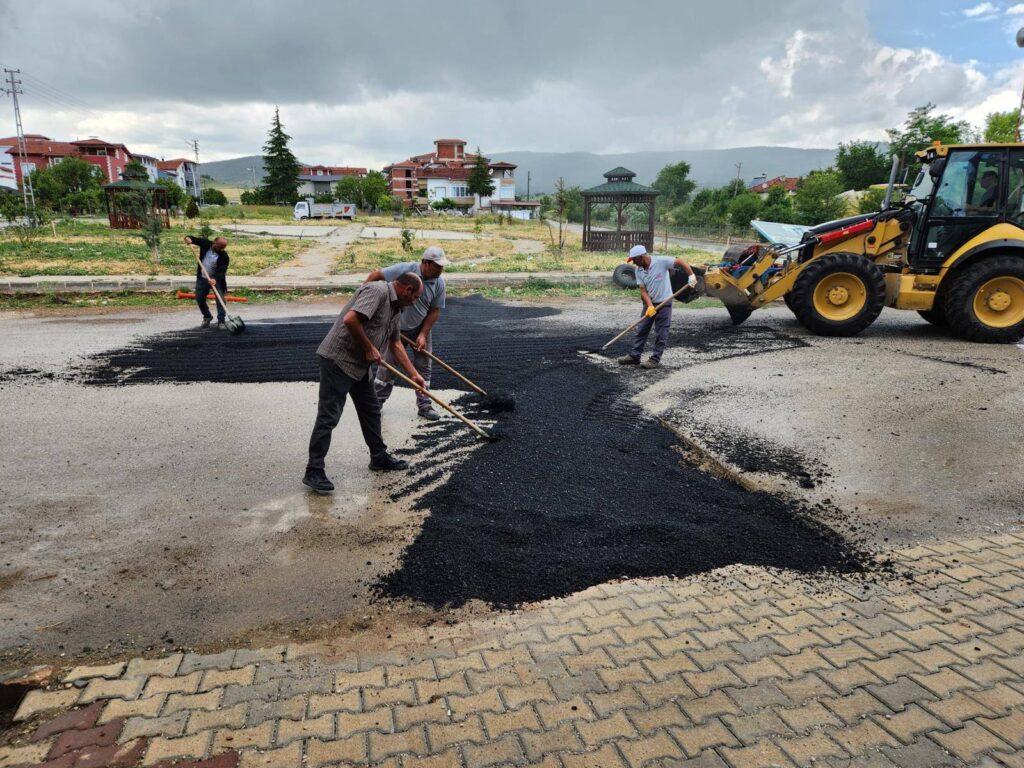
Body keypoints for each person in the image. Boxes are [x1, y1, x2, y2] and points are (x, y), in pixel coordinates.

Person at [303, 272, 426, 494]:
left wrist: (414, 374)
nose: (415, 302)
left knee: (371, 410)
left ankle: (378, 457)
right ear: (407, 290)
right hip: (338, 360)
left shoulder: (396, 308)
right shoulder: (377, 292)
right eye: (416, 297)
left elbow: (396, 344)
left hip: (359, 366)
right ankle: (314, 470)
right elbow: (351, 319)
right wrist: (369, 347)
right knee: (329, 416)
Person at [367, 246, 449, 420]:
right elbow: (376, 275)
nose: (441, 271)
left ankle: (425, 405)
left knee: (424, 366)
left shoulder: (439, 283)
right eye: (437, 267)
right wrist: (364, 298)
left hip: (419, 327)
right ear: (425, 263)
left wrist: (423, 334)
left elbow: (434, 310)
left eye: (442, 267)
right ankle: (377, 402)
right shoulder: (404, 271)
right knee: (387, 366)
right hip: (395, 327)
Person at [617, 244, 696, 369]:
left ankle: (655, 359)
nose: (633, 263)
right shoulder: (638, 270)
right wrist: (649, 306)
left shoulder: (661, 262)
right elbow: (643, 291)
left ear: (641, 257)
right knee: (642, 328)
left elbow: (679, 261)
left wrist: (691, 276)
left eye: (634, 260)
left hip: (665, 302)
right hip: (650, 303)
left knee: (661, 331)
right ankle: (635, 356)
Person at [184, 234, 230, 328]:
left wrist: (215, 279)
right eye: (219, 247)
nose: (220, 249)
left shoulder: (224, 256)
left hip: (216, 279)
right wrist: (188, 239)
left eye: (222, 248)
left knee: (220, 299)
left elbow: (222, 271)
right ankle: (207, 316)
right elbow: (192, 238)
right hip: (202, 277)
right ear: (214, 242)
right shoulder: (205, 243)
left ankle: (221, 321)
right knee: (199, 298)